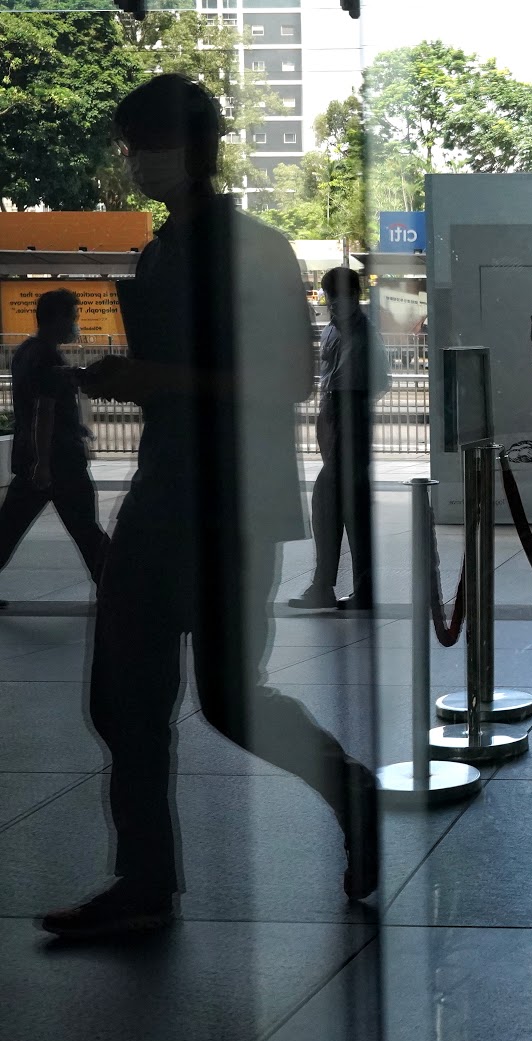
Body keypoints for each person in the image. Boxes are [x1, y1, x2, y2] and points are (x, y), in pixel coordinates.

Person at [41, 75, 378, 940]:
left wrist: (151, 377)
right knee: (130, 697)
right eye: (130, 146)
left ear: (190, 148)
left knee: (222, 698)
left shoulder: (252, 249)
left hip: (226, 503)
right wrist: (142, 380)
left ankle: (347, 794)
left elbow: (289, 377)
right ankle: (144, 877)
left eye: (143, 144)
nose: (134, 161)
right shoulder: (165, 249)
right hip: (171, 495)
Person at [0, 289, 109, 605]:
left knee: (7, 530)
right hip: (59, 463)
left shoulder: (25, 352)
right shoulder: (48, 357)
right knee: (87, 532)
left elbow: (37, 403)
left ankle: (115, 590)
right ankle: (117, 592)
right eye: (72, 317)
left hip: (30, 460)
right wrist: (44, 464)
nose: (76, 324)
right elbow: (44, 410)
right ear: (56, 318)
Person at [288, 267, 387, 611]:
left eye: (341, 297)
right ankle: (353, 586)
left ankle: (328, 585)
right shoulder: (332, 330)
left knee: (329, 499)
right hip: (334, 414)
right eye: (331, 298)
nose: (335, 304)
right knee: (345, 504)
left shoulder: (365, 333)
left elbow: (381, 379)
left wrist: (352, 405)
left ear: (356, 296)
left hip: (351, 414)